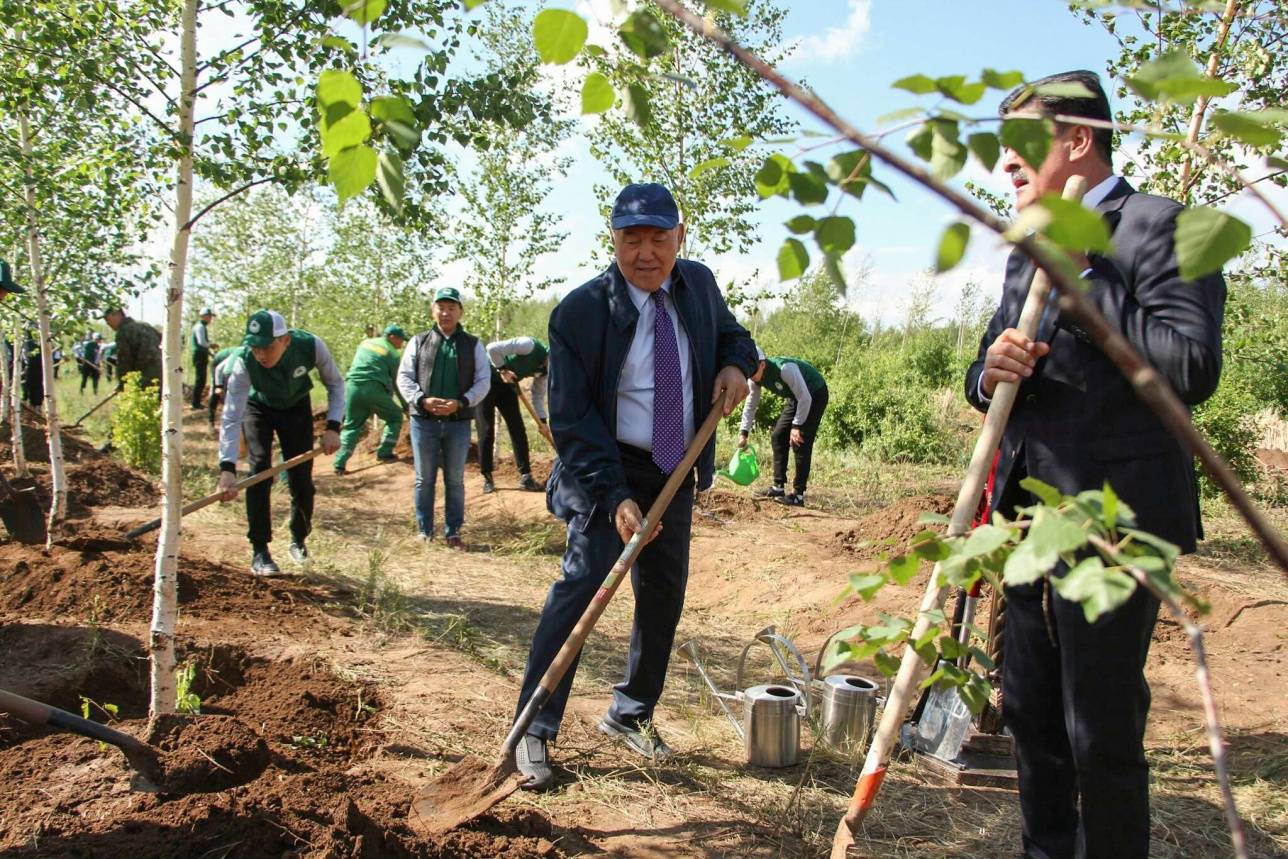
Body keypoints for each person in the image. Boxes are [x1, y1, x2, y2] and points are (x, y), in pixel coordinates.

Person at [964, 71, 1226, 859]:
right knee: (1030, 711)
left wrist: (1083, 275)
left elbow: (1191, 367)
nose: (1002, 162)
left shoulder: (1162, 226)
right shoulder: (1026, 244)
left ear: (1077, 141)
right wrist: (991, 367)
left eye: (1020, 144)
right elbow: (990, 371)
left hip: (1119, 521)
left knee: (1099, 724)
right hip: (1025, 519)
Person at [511, 183, 755, 790]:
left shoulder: (697, 283)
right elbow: (571, 419)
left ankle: (631, 712)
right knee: (580, 590)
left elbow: (732, 336)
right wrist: (613, 494)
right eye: (631, 240)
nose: (646, 253)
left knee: (663, 597)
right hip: (606, 464)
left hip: (675, 465)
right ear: (613, 240)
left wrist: (735, 363)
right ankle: (534, 728)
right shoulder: (581, 312)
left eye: (658, 239)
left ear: (679, 237)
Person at [216, 310, 344, 576]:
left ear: (284, 339)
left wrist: (333, 426)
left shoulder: (310, 345)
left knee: (301, 480)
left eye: (267, 346)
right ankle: (260, 550)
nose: (260, 354)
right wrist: (226, 469)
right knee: (260, 471)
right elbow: (231, 417)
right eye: (255, 346)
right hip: (258, 406)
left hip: (296, 405)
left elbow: (335, 383)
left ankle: (298, 539)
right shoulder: (242, 362)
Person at [396, 288, 490, 548]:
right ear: (433, 310)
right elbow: (404, 377)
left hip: (458, 423)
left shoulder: (472, 344)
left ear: (460, 311)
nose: (446, 312)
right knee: (424, 478)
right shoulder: (419, 341)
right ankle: (424, 530)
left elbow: (483, 380)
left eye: (451, 307)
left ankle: (453, 532)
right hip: (423, 422)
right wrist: (421, 400)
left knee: (455, 480)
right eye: (441, 307)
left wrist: (461, 402)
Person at [737, 348, 829, 506]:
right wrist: (744, 432)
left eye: (752, 369)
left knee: (800, 442)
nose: (750, 374)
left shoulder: (785, 369)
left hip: (814, 394)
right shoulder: (754, 378)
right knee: (778, 436)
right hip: (796, 396)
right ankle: (778, 487)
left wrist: (797, 426)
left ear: (763, 365)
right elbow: (751, 404)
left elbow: (805, 398)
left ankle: (798, 495)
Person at [479, 336, 553, 493]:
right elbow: (492, 348)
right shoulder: (529, 345)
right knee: (486, 429)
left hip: (508, 387)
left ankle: (526, 477)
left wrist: (542, 422)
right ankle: (487, 478)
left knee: (517, 429)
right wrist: (503, 370)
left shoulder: (545, 371)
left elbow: (538, 395)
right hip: (485, 380)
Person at [334, 324, 408, 474]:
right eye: (401, 340)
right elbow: (396, 381)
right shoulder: (392, 353)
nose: (402, 344)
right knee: (394, 417)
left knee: (352, 425)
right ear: (392, 337)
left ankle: (339, 464)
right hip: (373, 388)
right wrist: (405, 405)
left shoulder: (365, 343)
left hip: (352, 386)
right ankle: (385, 453)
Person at [104, 307, 162, 390]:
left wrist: (122, 383)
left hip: (144, 378)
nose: (107, 323)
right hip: (162, 374)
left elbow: (124, 361)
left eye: (107, 319)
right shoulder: (146, 326)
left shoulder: (124, 331)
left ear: (117, 315)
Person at [207, 344, 240, 430]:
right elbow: (219, 369)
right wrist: (219, 386)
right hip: (218, 363)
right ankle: (211, 421)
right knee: (217, 392)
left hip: (226, 366)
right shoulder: (240, 354)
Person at [191, 307, 215, 408]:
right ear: (204, 317)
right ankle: (195, 403)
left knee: (201, 379)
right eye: (209, 317)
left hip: (201, 354)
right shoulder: (200, 327)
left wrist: (210, 353)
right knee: (200, 379)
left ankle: (196, 402)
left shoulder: (201, 326)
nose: (210, 319)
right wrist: (211, 345)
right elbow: (202, 343)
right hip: (199, 355)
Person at [21, 331, 42, 408]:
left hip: (29, 371)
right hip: (38, 371)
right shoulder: (37, 346)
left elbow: (25, 360)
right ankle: (37, 406)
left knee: (29, 388)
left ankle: (32, 404)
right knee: (37, 388)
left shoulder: (23, 346)